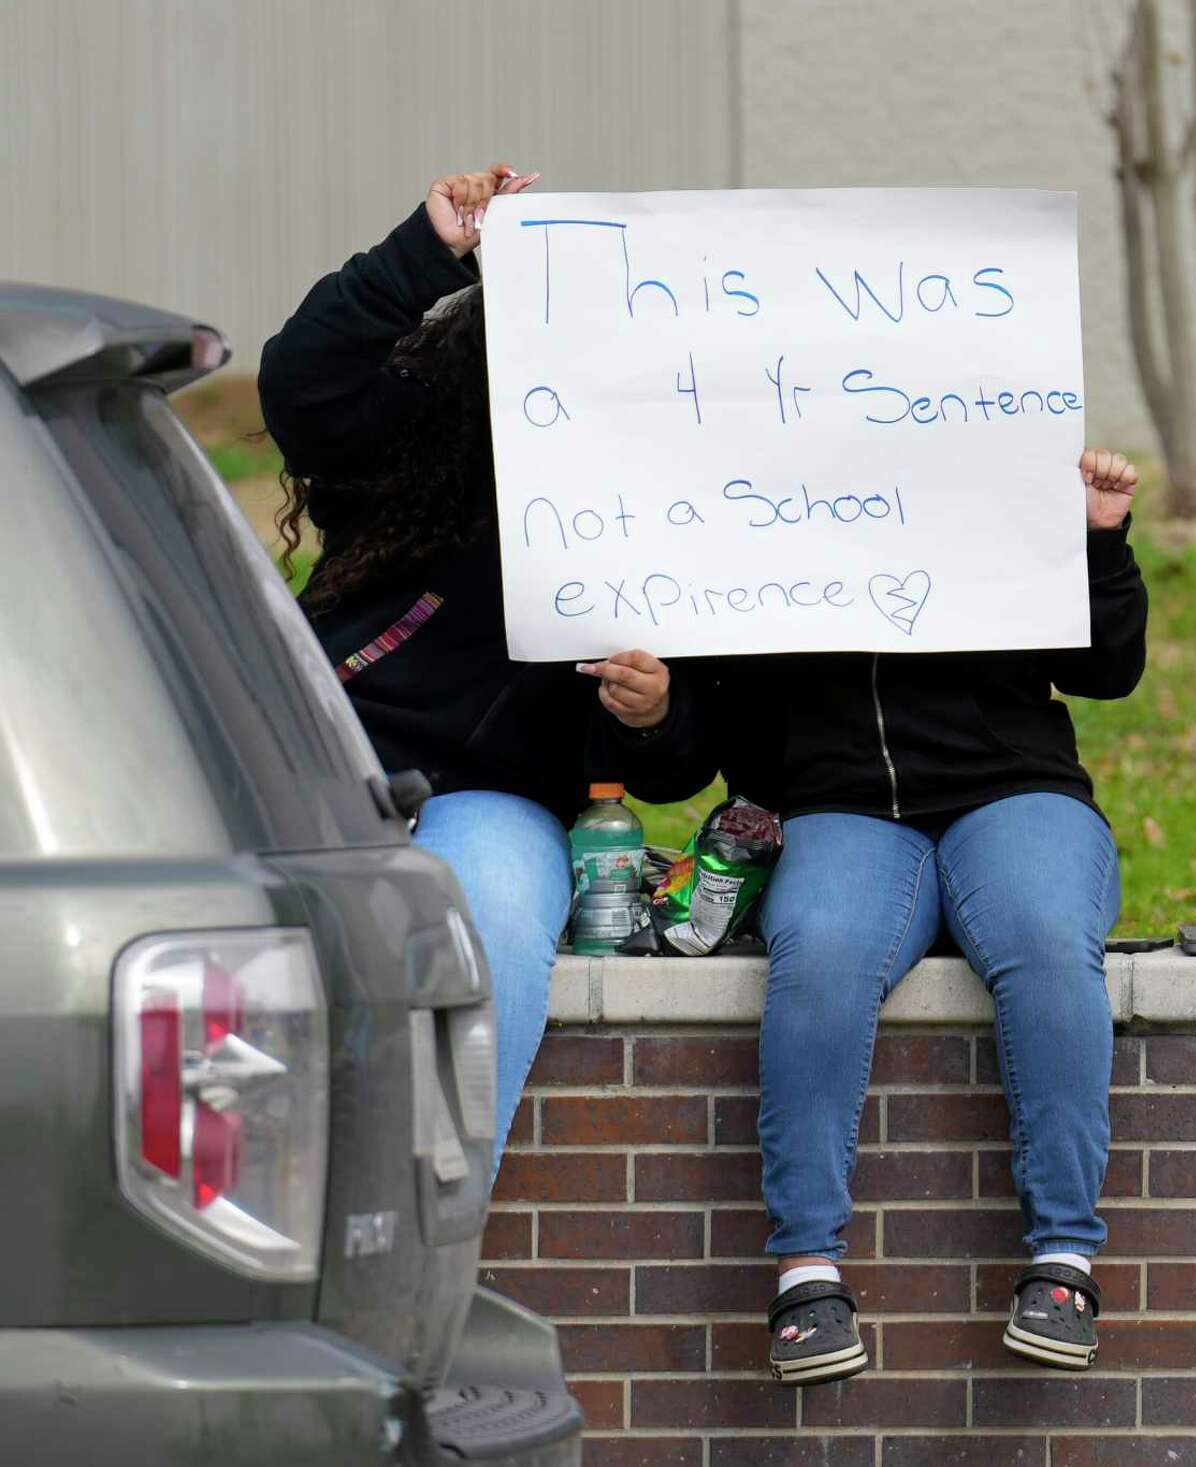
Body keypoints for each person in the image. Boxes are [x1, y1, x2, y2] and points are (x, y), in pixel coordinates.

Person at [627, 448, 1145, 1385]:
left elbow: (1109, 668)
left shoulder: (975, 453)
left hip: (1015, 788)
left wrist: (1099, 537)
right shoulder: (728, 500)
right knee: (821, 950)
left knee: (1041, 938)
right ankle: (807, 1270)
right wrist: (655, 710)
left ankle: (1065, 1258)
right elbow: (680, 762)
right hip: (837, 807)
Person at [259, 165, 677, 1168]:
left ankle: (440, 1225)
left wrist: (653, 714)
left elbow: (674, 772)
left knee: (492, 937)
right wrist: (421, 250)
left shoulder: (678, 499)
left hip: (503, 799)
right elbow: (302, 389)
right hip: (334, 765)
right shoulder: (426, 420)